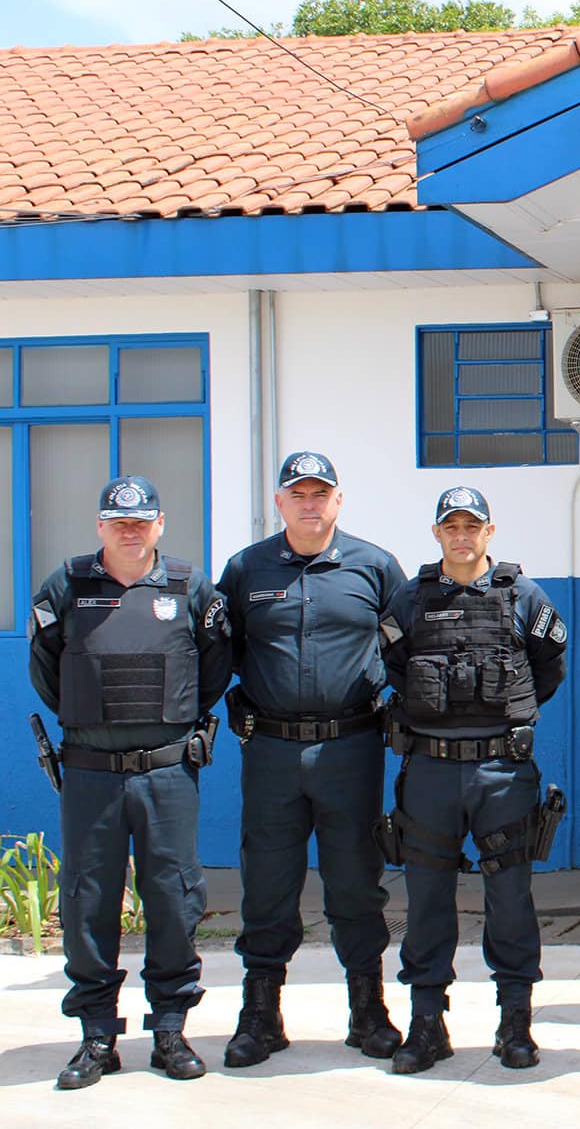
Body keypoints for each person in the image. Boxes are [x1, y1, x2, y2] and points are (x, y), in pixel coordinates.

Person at [28, 477, 231, 1090]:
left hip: (168, 772)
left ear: (160, 524)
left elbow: (214, 666)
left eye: (141, 522)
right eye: (119, 523)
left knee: (173, 897)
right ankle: (96, 1036)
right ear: (100, 527)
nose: (130, 531)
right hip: (91, 774)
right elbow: (45, 670)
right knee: (89, 901)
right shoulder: (66, 585)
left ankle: (170, 1029)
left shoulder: (190, 586)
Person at [217, 452, 406, 1069]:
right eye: (297, 492)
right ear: (279, 502)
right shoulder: (247, 569)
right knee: (267, 884)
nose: (309, 503)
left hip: (350, 748)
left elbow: (410, 649)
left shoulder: (375, 567)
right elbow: (220, 649)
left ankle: (368, 1011)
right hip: (270, 750)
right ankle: (261, 1015)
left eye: (320, 492)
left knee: (355, 881)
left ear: (338, 500)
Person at [375, 487, 568, 1073]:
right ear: (437, 533)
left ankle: (515, 1024)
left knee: (510, 899)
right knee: (427, 899)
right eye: (451, 526)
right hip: (430, 769)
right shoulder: (410, 600)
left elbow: (548, 669)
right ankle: (426, 1024)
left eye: (472, 525)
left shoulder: (523, 596)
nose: (461, 535)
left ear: (489, 531)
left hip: (502, 772)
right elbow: (395, 668)